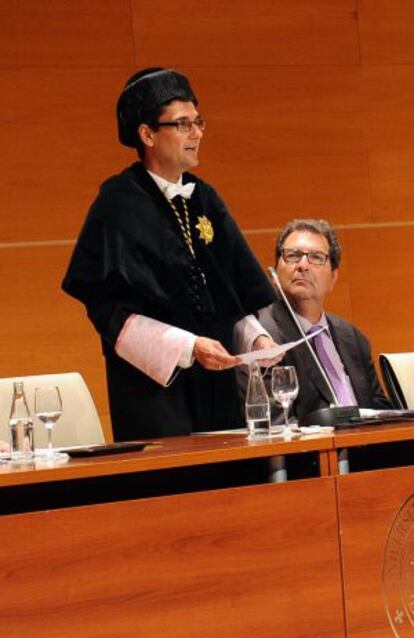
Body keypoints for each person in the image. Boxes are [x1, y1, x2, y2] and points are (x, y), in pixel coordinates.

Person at [62, 67, 277, 440]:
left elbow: (228, 295)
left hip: (218, 390)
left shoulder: (205, 196)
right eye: (182, 124)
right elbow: (110, 311)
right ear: (147, 134)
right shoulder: (117, 203)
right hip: (156, 394)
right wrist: (189, 346)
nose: (197, 133)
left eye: (199, 121)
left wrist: (257, 340)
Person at [237, 218, 391, 422]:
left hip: (366, 450)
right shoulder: (261, 336)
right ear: (275, 269)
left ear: (333, 277)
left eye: (316, 257)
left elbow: (380, 410)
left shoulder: (353, 338)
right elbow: (274, 424)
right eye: (292, 256)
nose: (303, 265)